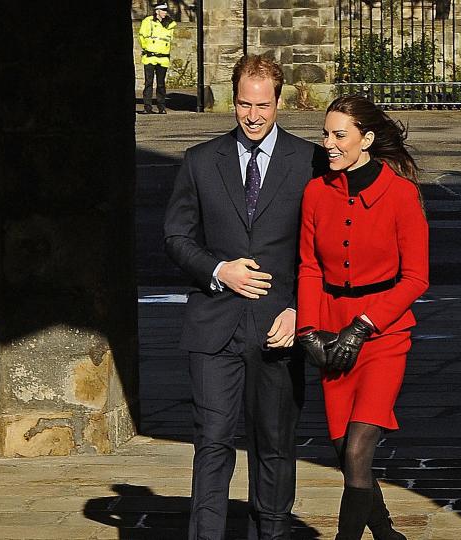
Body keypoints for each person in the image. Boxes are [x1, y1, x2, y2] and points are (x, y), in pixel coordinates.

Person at [164, 54, 327, 540]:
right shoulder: (199, 162)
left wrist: (300, 308)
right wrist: (219, 270)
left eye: (262, 105)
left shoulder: (310, 162)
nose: (252, 116)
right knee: (212, 443)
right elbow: (176, 237)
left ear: (280, 102)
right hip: (214, 327)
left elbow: (323, 247)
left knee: (274, 446)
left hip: (279, 327)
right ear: (231, 100)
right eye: (242, 104)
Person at [295, 95, 429, 540]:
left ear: (366, 139)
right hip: (331, 330)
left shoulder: (402, 194)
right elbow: (310, 266)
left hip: (384, 335)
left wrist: (364, 325)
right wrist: (309, 330)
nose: (328, 144)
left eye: (339, 135)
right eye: (325, 134)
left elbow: (415, 279)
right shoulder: (316, 191)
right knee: (343, 451)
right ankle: (387, 534)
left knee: (357, 450)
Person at [138, 2, 176, 114]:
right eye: (163, 10)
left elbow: (170, 39)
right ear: (157, 11)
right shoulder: (148, 21)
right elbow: (142, 36)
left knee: (161, 84)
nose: (165, 13)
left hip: (163, 58)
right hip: (150, 56)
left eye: (166, 10)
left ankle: (161, 107)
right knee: (148, 83)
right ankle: (147, 107)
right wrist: (147, 47)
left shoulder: (169, 24)